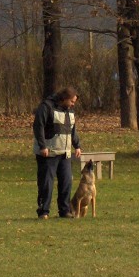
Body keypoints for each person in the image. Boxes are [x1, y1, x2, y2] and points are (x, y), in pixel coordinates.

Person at [33, 86, 82, 219]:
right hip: (48, 153)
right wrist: (42, 146)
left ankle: (64, 211)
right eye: (72, 101)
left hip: (64, 153)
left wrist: (77, 145)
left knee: (66, 182)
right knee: (46, 184)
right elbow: (38, 127)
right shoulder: (46, 107)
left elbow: (72, 129)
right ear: (64, 98)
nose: (73, 104)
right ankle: (44, 211)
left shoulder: (70, 111)